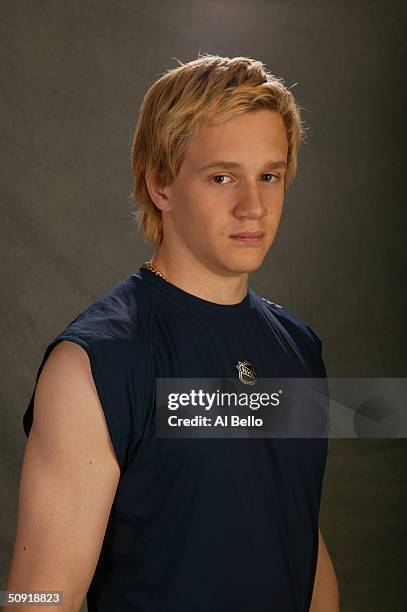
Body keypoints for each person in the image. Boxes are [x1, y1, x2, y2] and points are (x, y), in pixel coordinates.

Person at [5, 53, 340, 611]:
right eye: (222, 176)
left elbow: (297, 536)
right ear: (160, 182)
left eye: (269, 177)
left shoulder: (298, 349)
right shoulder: (94, 366)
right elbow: (36, 601)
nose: (252, 207)